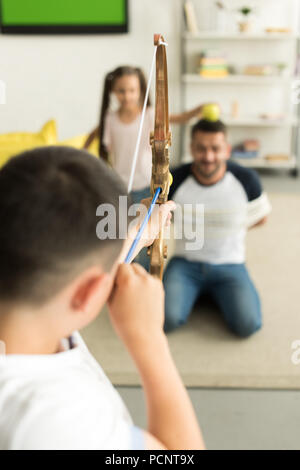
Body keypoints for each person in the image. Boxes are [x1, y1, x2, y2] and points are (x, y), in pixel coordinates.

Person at [0, 146, 205, 450]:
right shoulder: (58, 422)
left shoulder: (29, 307)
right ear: (89, 292)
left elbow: (66, 274)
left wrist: (136, 235)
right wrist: (148, 339)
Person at [163, 119, 271, 337]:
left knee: (247, 325)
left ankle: (209, 294)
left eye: (215, 148)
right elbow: (163, 217)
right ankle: (203, 293)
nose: (208, 156)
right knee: (166, 320)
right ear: (191, 148)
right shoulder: (174, 180)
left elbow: (260, 218)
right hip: (186, 264)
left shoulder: (247, 180)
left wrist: (229, 228)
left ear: (227, 150)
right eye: (201, 148)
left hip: (230, 265)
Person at [83, 65, 215, 204]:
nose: (127, 96)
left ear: (140, 90)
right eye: (121, 91)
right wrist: (83, 153)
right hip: (120, 185)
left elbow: (180, 118)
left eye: (132, 90)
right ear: (112, 90)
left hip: (147, 184)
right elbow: (92, 135)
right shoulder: (110, 119)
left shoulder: (150, 115)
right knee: (121, 223)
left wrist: (198, 110)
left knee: (146, 223)